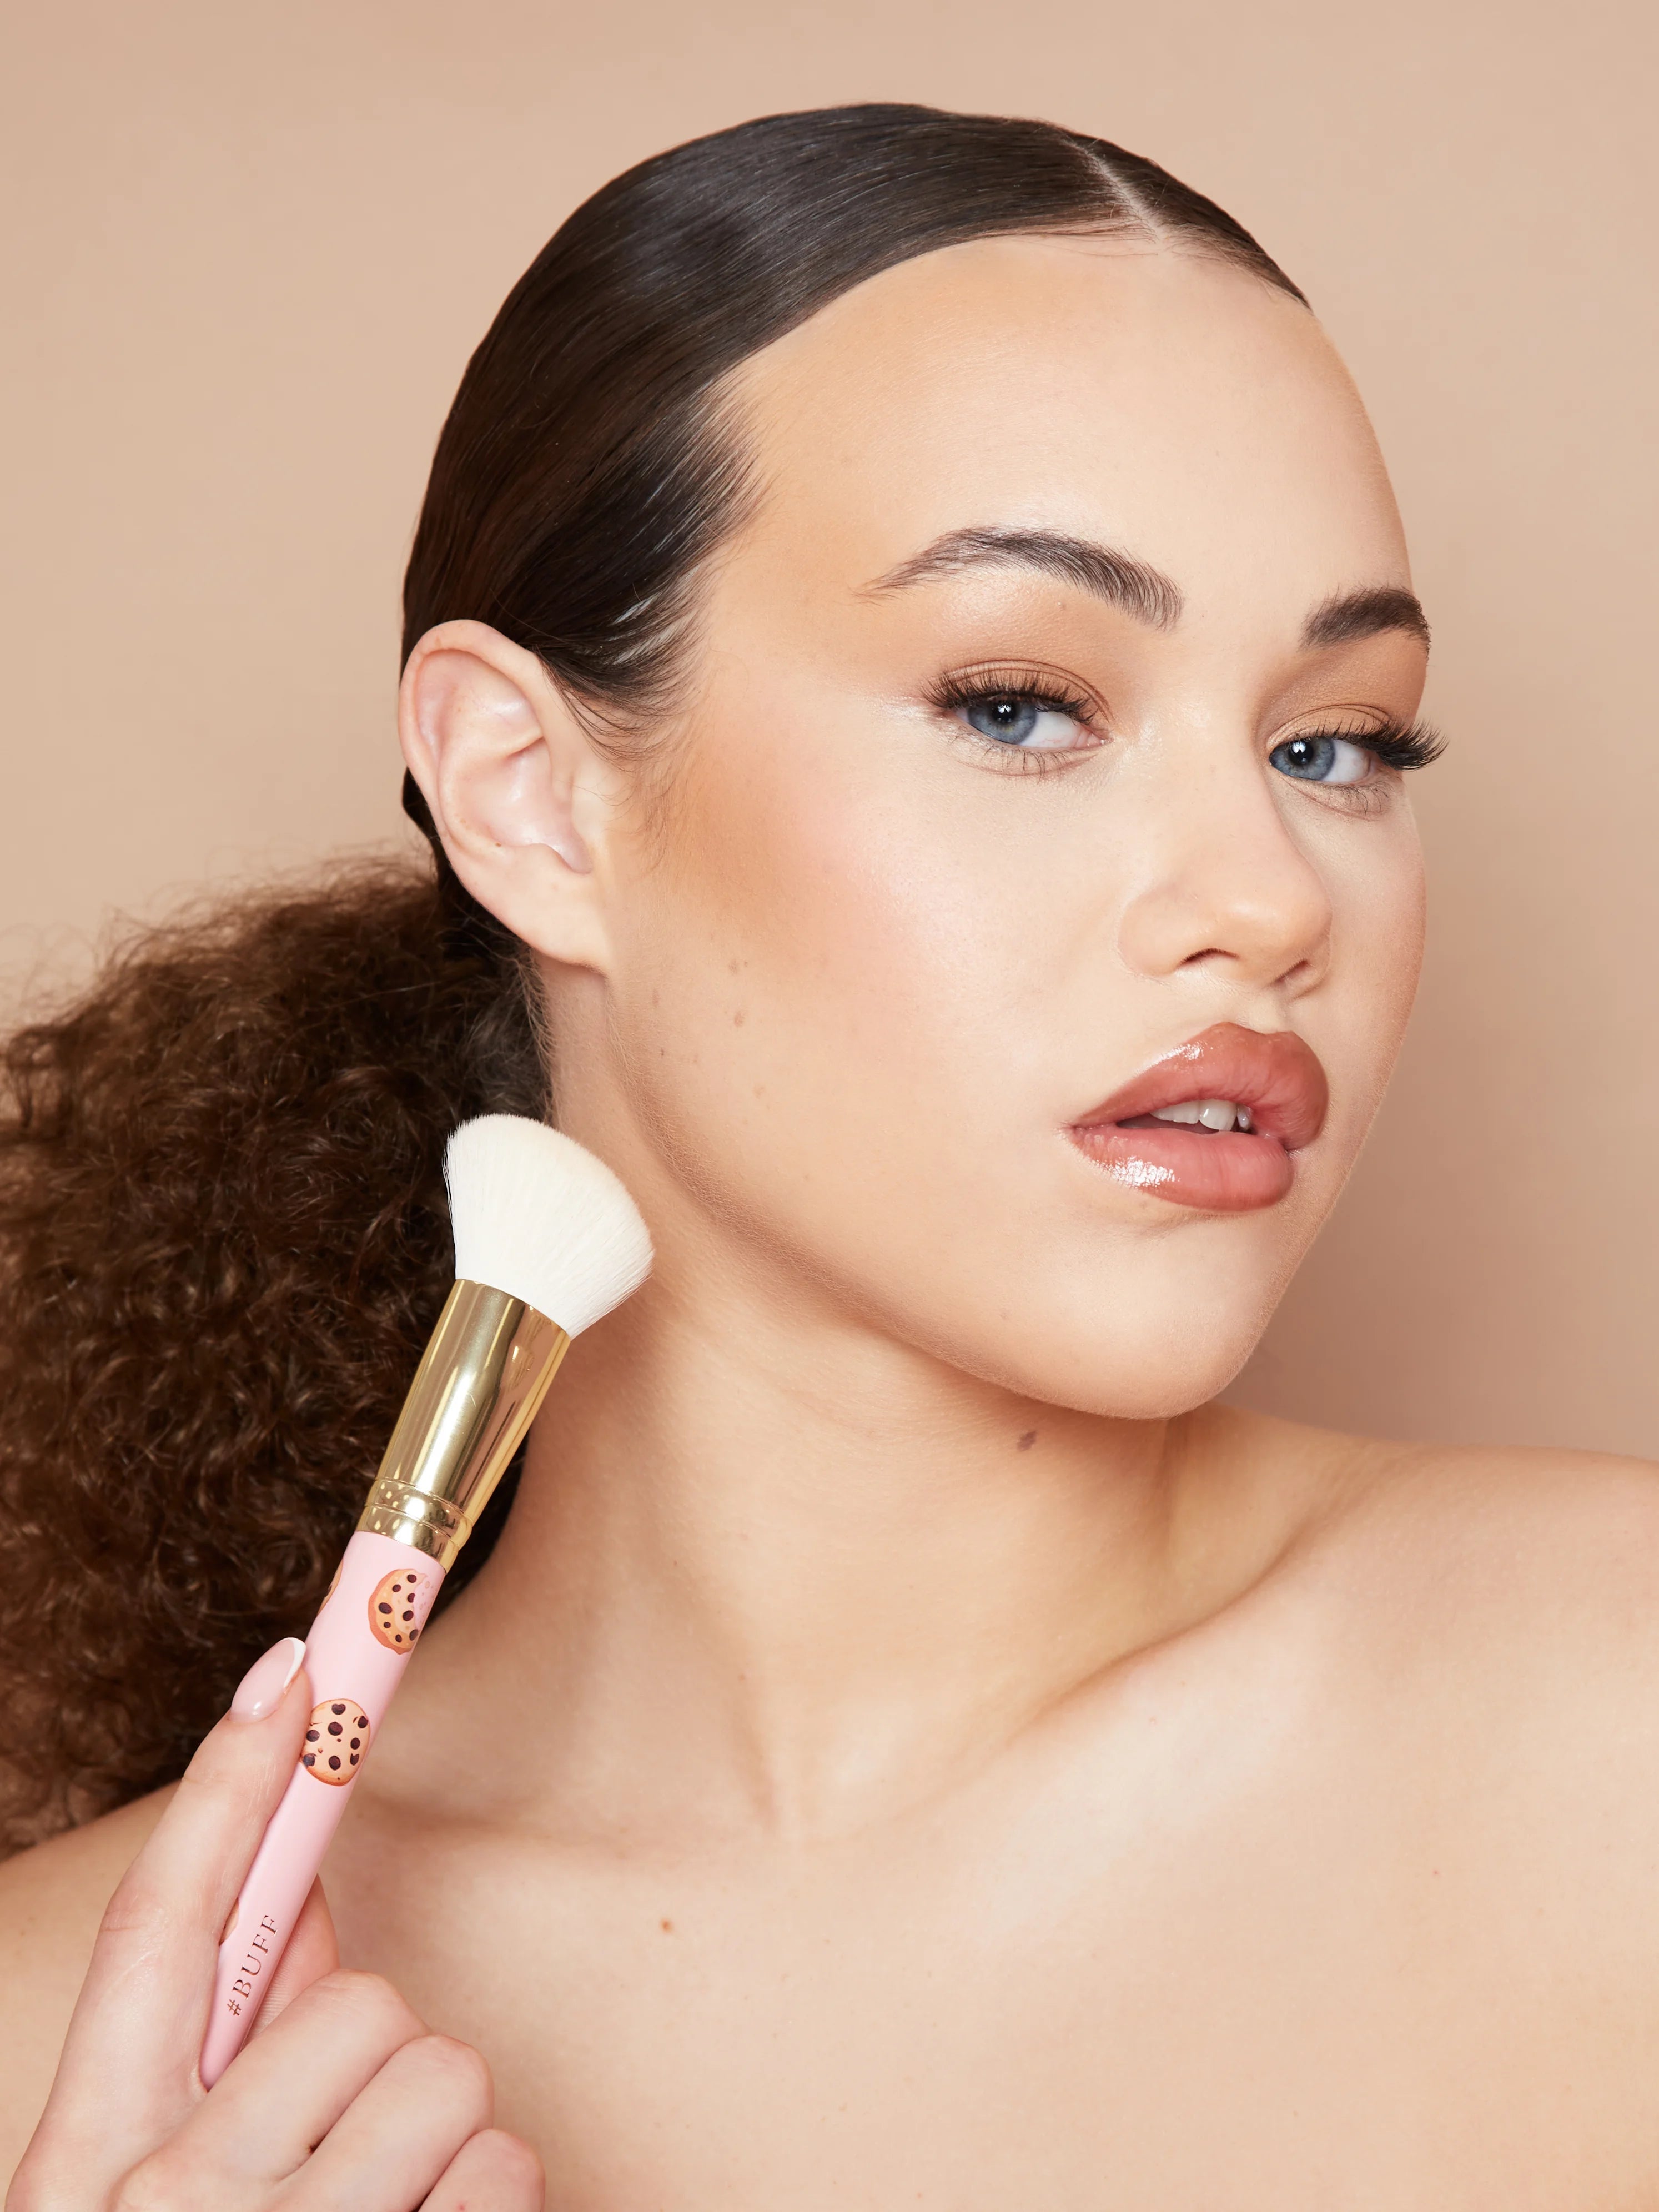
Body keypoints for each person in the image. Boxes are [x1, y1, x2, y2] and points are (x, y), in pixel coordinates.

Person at [3, 102, 1656, 2209]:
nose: (1268, 897)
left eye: (1333, 743)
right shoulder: (80, 2052)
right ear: (530, 795)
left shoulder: (1609, 1737)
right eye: (1019, 705)